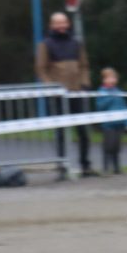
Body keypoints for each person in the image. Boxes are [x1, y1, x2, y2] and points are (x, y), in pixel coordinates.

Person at [36, 11, 96, 177]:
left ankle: (85, 165)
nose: (61, 26)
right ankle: (62, 166)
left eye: (63, 22)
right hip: (58, 95)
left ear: (68, 24)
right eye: (58, 23)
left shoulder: (76, 43)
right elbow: (41, 69)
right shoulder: (45, 44)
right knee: (61, 133)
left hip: (77, 93)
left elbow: (84, 65)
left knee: (83, 131)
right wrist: (51, 86)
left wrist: (85, 83)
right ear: (52, 25)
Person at [95, 67, 127, 175]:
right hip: (108, 124)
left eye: (114, 78)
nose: (112, 80)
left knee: (117, 146)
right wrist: (110, 97)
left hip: (119, 123)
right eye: (109, 78)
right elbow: (100, 106)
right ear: (104, 79)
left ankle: (117, 168)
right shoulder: (101, 91)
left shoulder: (118, 91)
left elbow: (123, 106)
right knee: (108, 146)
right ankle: (105, 168)